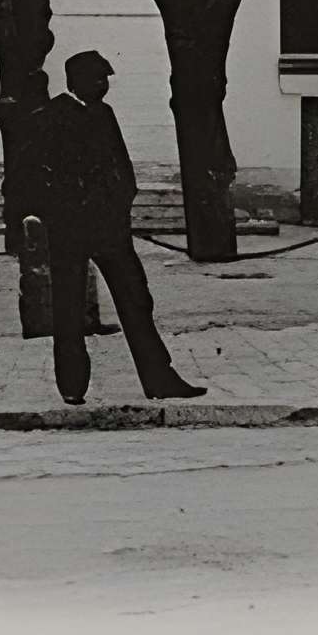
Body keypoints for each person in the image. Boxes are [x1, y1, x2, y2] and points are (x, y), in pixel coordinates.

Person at [35, 51, 205, 405]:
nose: (104, 86)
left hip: (111, 229)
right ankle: (72, 386)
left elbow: (121, 165)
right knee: (68, 308)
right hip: (70, 231)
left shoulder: (104, 113)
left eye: (105, 80)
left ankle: (160, 380)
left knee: (137, 300)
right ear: (76, 81)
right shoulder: (51, 116)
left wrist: (122, 200)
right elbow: (39, 177)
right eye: (98, 80)